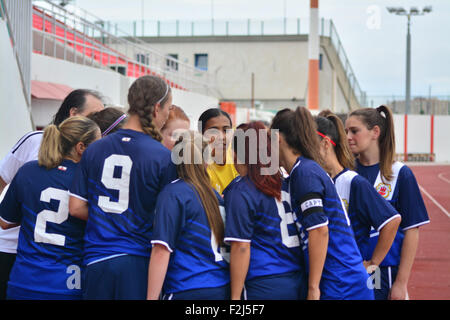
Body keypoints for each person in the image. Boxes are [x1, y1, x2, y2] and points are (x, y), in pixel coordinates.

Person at [69, 75, 177, 300]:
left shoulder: (94, 150)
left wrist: (106, 217)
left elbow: (76, 207)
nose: (167, 115)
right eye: (168, 108)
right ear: (157, 107)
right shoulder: (163, 157)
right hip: (138, 261)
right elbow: (168, 218)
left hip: (97, 260)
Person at [0, 89, 104, 300]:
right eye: (97, 144)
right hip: (66, 284)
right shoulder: (89, 179)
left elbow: (5, 222)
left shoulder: (29, 170)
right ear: (81, 147)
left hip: (24, 279)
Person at [270, 107, 373, 300]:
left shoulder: (305, 172)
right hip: (339, 280)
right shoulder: (299, 172)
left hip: (342, 283)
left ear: (278, 139)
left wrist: (313, 288)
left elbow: (319, 230)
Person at [345, 105, 430, 300]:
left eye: (354, 131)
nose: (348, 136)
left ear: (375, 132)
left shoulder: (400, 174)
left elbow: (411, 231)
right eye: (346, 131)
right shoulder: (347, 172)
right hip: (350, 266)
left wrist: (401, 283)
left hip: (383, 270)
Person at [314, 110, 401, 286]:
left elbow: (392, 221)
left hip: (349, 277)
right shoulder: (316, 181)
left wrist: (373, 263)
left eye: (308, 144)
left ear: (325, 143)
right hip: (326, 276)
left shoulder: (353, 182)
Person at [224, 121, 306, 300]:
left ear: (238, 154)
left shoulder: (241, 190)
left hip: (263, 282)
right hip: (298, 278)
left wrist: (235, 297)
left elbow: (241, 246)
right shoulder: (290, 180)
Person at [147, 131, 229, 300]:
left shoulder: (173, 193)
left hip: (187, 286)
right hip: (221, 286)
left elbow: (161, 250)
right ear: (207, 161)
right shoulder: (216, 196)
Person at [198, 108, 238, 194]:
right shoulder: (198, 167)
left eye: (226, 130)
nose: (221, 137)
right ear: (201, 134)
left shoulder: (238, 160)